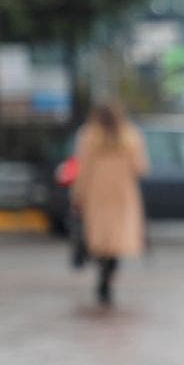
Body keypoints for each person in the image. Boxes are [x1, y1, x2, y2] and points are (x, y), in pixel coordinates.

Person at [71, 102, 149, 306]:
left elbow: (83, 169)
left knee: (100, 238)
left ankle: (102, 273)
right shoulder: (130, 136)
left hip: (96, 193)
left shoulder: (88, 135)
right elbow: (141, 168)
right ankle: (108, 276)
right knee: (117, 240)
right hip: (123, 194)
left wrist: (78, 195)